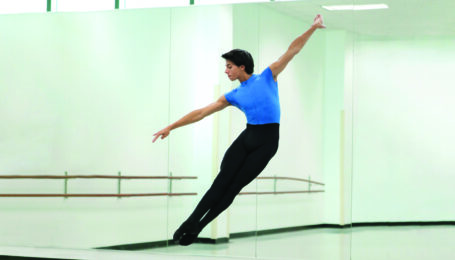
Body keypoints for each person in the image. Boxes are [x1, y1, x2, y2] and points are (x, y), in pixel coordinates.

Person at [153, 14, 326, 246]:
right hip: (248, 137)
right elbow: (202, 112)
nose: (226, 71)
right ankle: (190, 222)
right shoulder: (233, 95)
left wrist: (313, 28)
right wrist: (172, 126)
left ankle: (199, 228)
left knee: (233, 188)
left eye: (229, 67)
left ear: (241, 67)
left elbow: (292, 50)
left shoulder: (268, 76)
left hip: (267, 142)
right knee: (220, 183)